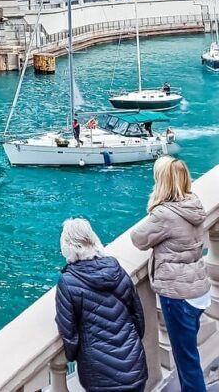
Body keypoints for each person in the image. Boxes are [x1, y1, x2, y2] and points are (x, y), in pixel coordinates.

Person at [131, 157, 210, 392]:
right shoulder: (193, 204)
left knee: (187, 362)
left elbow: (138, 239)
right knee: (188, 355)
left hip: (179, 296)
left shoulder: (165, 215)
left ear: (162, 182)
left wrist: (155, 207)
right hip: (198, 288)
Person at [55, 218, 147, 392]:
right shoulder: (117, 269)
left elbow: (69, 334)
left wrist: (74, 357)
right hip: (134, 365)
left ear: (67, 247)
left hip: (99, 375)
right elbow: (138, 317)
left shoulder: (68, 283)